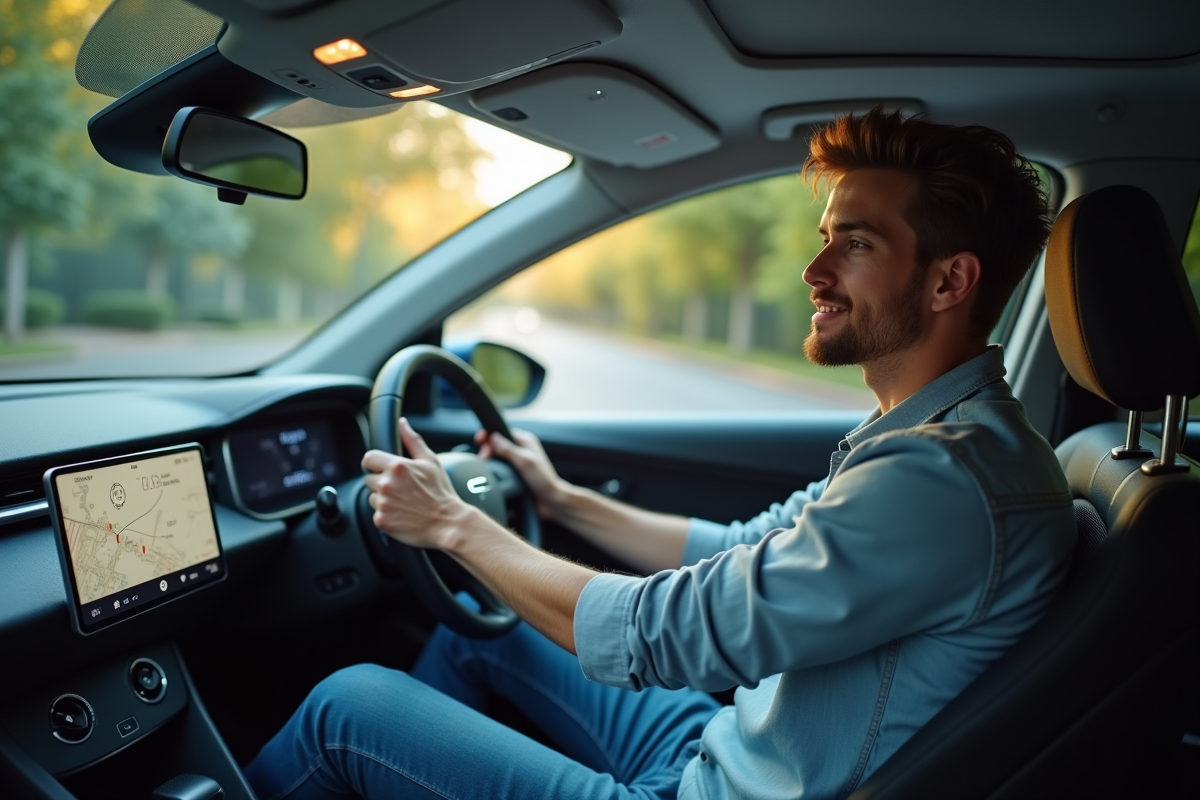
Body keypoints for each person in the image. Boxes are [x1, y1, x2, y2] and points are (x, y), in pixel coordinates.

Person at [243, 108, 1075, 800]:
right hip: (725, 748)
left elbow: (656, 634)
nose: (813, 270)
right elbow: (738, 550)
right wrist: (561, 497)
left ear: (947, 282)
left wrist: (455, 526)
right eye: (826, 238)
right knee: (485, 633)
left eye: (854, 244)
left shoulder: (940, 480)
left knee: (345, 708)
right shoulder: (942, 443)